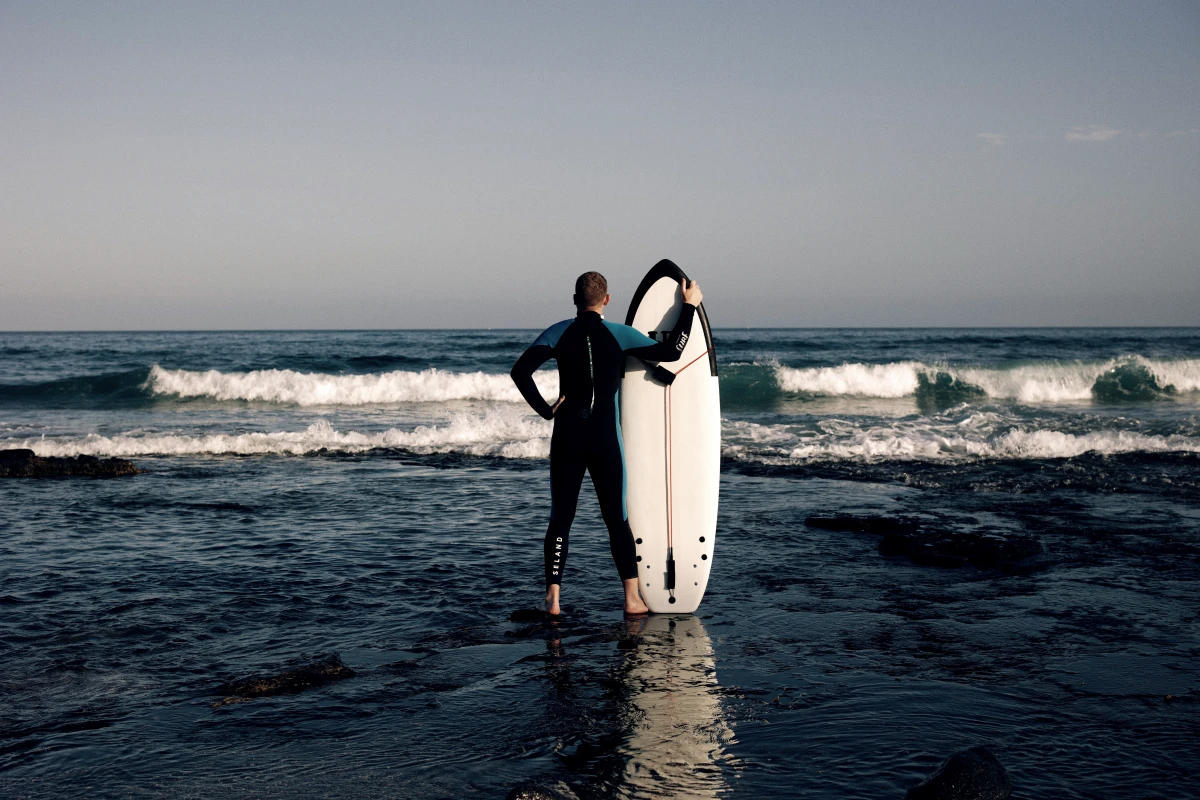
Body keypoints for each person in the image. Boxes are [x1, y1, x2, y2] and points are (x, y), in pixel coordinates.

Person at [511, 271, 703, 615]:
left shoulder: (558, 332)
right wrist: (688, 307)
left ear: (574, 300)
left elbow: (520, 372)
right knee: (617, 518)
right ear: (607, 300)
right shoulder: (619, 334)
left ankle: (553, 598)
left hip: (568, 437)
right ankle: (631, 598)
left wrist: (546, 410)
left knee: (560, 519)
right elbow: (671, 351)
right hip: (604, 441)